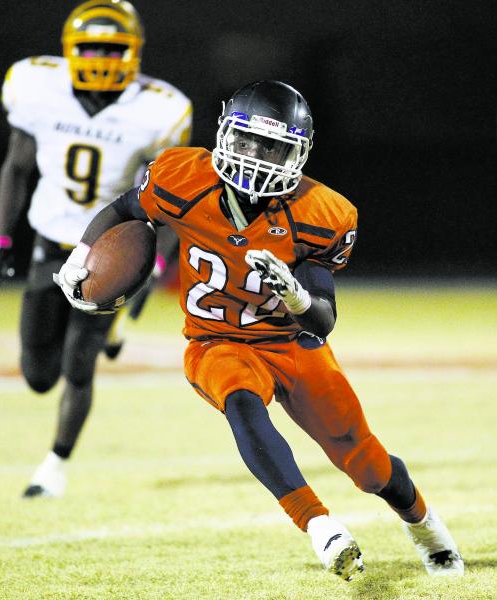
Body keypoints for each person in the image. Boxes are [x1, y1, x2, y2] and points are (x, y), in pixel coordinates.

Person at [54, 80, 463, 580]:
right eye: (247, 141)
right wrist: (82, 255)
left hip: (292, 343)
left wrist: (296, 296)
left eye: (272, 146)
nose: (255, 157)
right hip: (215, 341)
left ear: (298, 153)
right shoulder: (182, 177)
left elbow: (322, 320)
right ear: (225, 133)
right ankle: (320, 527)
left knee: (366, 462)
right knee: (242, 402)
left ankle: (425, 526)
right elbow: (125, 210)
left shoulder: (321, 214)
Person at [0, 0, 192, 498]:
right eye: (91, 46)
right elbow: (16, 166)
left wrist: (153, 264)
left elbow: (168, 200)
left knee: (80, 364)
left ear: (135, 52)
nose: (102, 56)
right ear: (70, 50)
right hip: (50, 243)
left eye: (114, 47)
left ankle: (53, 467)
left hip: (107, 249)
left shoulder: (158, 109)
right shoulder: (38, 88)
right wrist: (1, 238)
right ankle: (109, 329)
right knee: (37, 374)